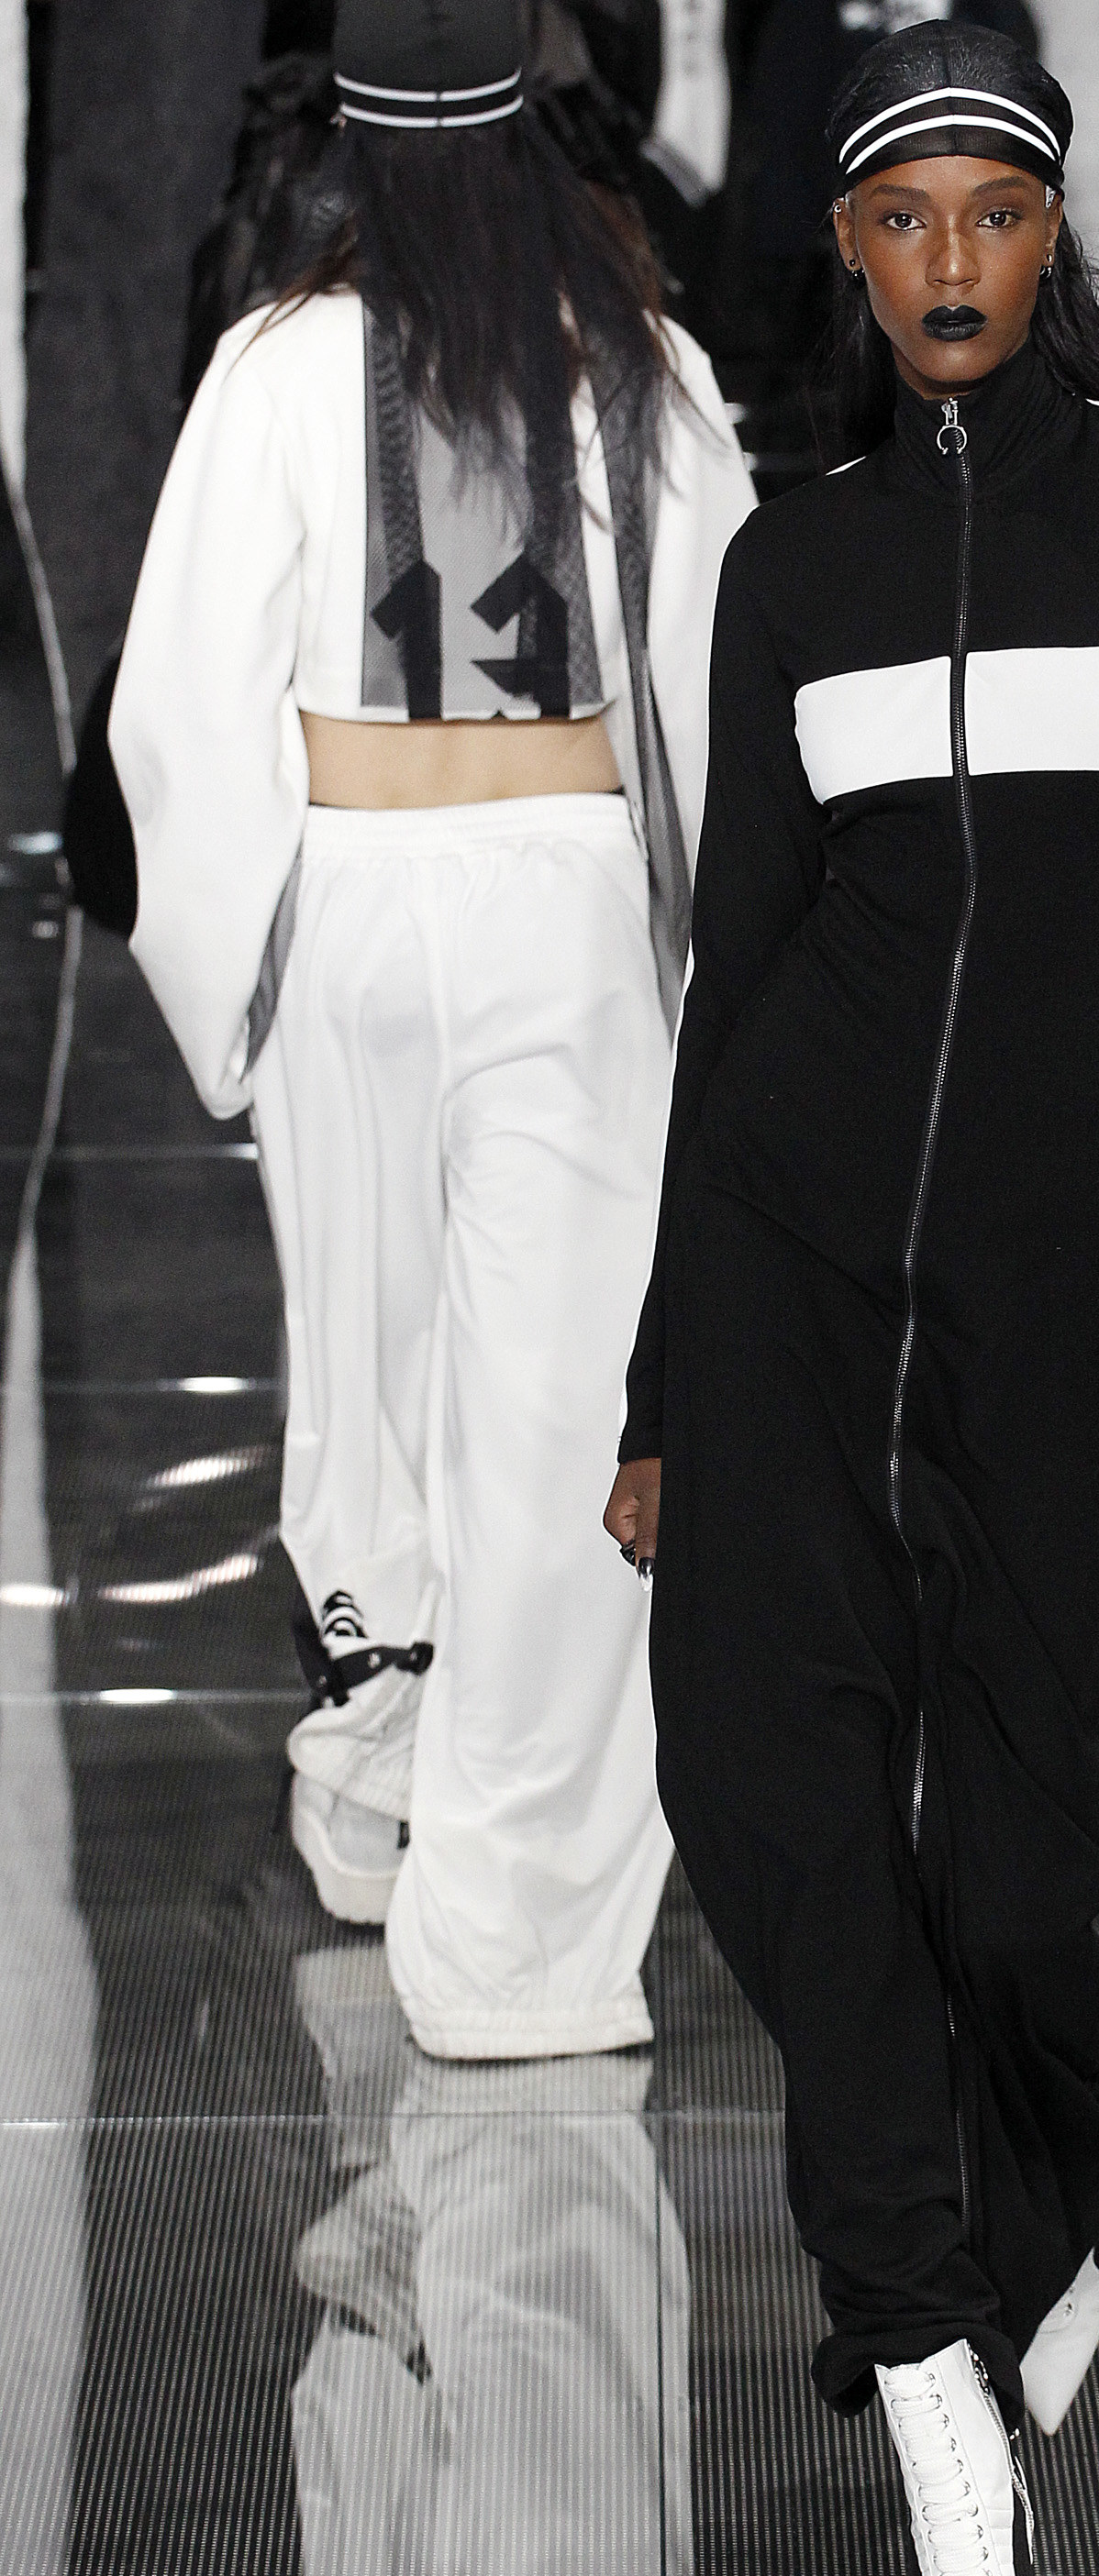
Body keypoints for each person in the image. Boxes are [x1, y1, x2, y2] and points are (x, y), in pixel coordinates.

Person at [604, 16, 1099, 2576]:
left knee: (1028, 1885)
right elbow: (734, 990)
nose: (949, 260)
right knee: (773, 1792)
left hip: (1052, 1295)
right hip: (788, 1257)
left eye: (995, 213)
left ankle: (1028, 2213)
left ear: (1056, 239)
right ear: (844, 250)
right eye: (902, 217)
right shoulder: (786, 570)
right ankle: (928, 2369)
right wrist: (660, 1384)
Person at [111, 0, 754, 2060]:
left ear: (352, 145)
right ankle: (521, 1944)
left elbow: (175, 704)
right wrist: (714, 961)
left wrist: (239, 960)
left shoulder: (275, 367)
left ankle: (377, 1769)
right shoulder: (643, 368)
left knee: (371, 1370)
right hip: (567, 901)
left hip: (351, 899)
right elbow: (720, 676)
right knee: (564, 1409)